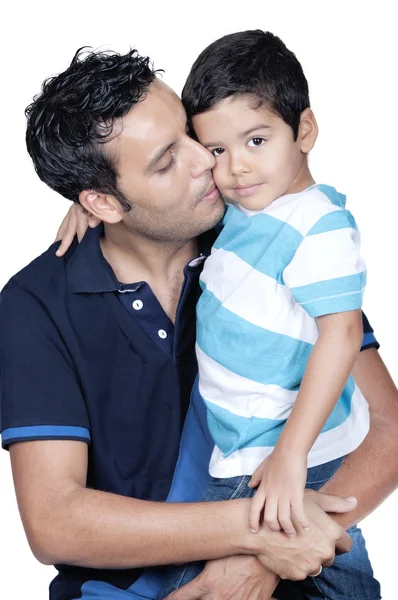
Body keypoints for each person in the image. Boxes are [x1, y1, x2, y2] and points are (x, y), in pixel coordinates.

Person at [1, 46, 397, 600]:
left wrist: (267, 559)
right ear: (102, 202)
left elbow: (388, 426)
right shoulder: (36, 303)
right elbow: (54, 522)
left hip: (301, 569)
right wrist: (256, 534)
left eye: (191, 134)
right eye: (167, 162)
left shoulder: (263, 238)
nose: (208, 161)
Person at [154, 30, 378, 599]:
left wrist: (290, 456)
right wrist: (84, 215)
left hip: (288, 451)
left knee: (318, 573)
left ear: (304, 131)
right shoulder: (246, 209)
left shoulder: (317, 224)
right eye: (219, 151)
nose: (237, 169)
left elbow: (343, 333)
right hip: (242, 445)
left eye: (256, 140)